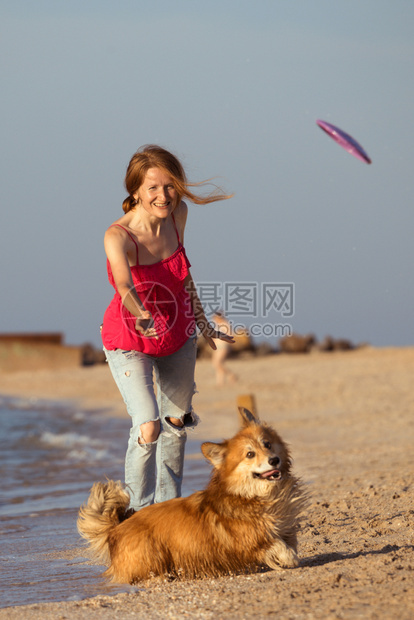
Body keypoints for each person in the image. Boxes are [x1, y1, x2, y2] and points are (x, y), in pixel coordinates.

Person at [101, 145, 234, 512]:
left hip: (177, 334)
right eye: (153, 188)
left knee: (175, 423)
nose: (164, 196)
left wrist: (204, 324)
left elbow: (183, 274)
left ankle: (167, 511)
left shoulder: (180, 216)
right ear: (136, 192)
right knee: (148, 426)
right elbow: (125, 285)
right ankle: (138, 516)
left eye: (171, 186)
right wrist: (140, 313)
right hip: (131, 337)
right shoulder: (118, 236)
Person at [210, 312, 238, 386]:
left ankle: (231, 375)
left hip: (223, 346)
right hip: (217, 346)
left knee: (218, 363)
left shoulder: (225, 324)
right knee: (216, 363)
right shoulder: (218, 326)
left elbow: (230, 335)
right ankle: (220, 382)